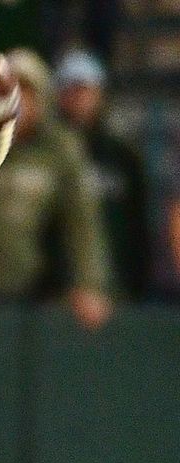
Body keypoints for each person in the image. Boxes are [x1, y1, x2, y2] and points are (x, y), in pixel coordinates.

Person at [0, 47, 114, 330]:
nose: (20, 103)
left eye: (28, 93)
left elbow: (82, 223)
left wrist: (89, 284)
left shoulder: (62, 149)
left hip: (45, 289)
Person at [55, 47, 151, 301]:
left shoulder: (122, 156)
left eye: (86, 89)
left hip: (121, 285)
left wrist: (136, 283)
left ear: (100, 93)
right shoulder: (47, 156)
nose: (80, 98)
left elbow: (138, 223)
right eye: (73, 89)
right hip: (63, 295)